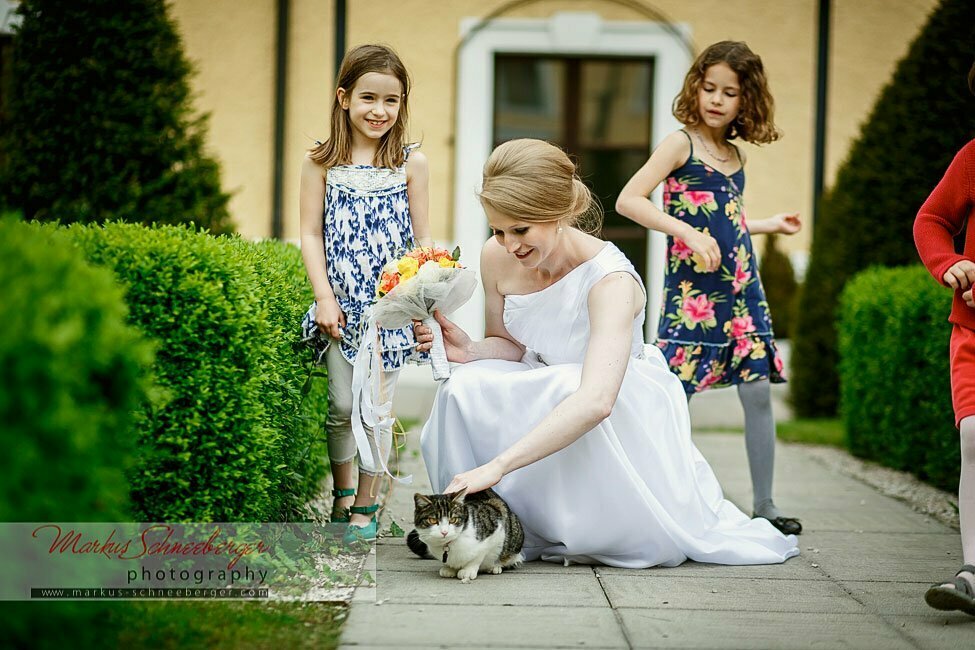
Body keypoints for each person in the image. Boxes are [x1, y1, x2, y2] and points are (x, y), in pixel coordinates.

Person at [414, 138, 799, 567]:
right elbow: (512, 345)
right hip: (545, 384)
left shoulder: (611, 281)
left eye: (520, 230)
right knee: (461, 386)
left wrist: (498, 466)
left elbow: (596, 400)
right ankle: (472, 519)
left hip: (613, 403)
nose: (509, 245)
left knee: (563, 385)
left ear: (560, 214)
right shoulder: (497, 257)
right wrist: (469, 350)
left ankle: (551, 514)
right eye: (498, 230)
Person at [615, 41, 802, 535]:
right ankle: (646, 493)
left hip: (742, 289)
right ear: (696, 87)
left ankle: (765, 505)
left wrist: (768, 224)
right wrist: (684, 231)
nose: (717, 100)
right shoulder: (682, 144)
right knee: (676, 396)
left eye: (730, 92)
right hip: (693, 295)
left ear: (747, 101)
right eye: (709, 87)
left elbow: (728, 222)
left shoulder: (735, 156)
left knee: (757, 392)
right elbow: (629, 200)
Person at [299, 44, 430, 542]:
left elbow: (422, 245)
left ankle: (368, 505)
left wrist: (422, 309)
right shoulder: (320, 162)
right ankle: (342, 491)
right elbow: (311, 234)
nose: (379, 110)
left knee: (375, 409)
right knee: (339, 405)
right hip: (341, 306)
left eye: (391, 101)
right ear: (343, 98)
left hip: (390, 309)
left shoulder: (411, 164)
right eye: (368, 98)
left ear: (402, 105)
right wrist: (325, 297)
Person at [914, 61, 975, 617]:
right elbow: (931, 219)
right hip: (973, 333)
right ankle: (972, 572)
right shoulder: (973, 156)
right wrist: (950, 262)